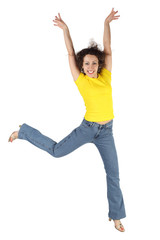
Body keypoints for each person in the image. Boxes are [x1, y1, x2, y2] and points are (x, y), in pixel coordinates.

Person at [8, 8, 126, 232]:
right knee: (56, 152)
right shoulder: (81, 80)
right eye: (86, 64)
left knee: (113, 174)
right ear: (81, 66)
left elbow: (108, 50)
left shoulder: (106, 76)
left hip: (107, 132)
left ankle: (117, 217)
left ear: (98, 64)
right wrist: (66, 30)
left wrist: (106, 23)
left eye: (93, 63)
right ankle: (24, 132)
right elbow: (71, 53)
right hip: (87, 129)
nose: (90, 67)